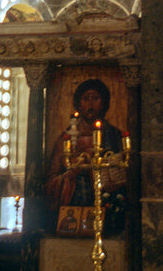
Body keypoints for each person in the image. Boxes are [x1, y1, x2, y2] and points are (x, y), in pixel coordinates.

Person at [45, 78, 125, 211]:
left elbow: (124, 171)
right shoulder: (66, 139)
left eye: (95, 98)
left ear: (103, 103)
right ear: (78, 103)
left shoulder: (114, 135)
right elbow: (51, 181)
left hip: (107, 203)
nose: (90, 103)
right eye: (85, 98)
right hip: (74, 205)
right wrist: (70, 174)